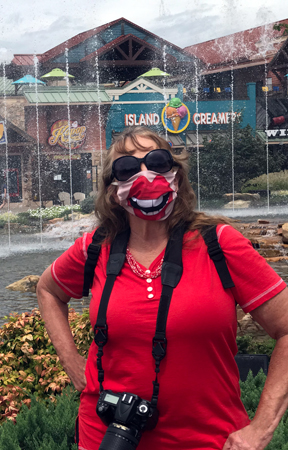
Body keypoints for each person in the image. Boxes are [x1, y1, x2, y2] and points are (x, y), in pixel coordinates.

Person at [36, 126, 288, 450]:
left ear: (177, 177)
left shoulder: (219, 244)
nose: (145, 175)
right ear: (113, 190)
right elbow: (48, 290)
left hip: (209, 439)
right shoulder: (95, 249)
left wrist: (261, 429)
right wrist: (71, 361)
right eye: (127, 168)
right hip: (107, 436)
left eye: (157, 162)